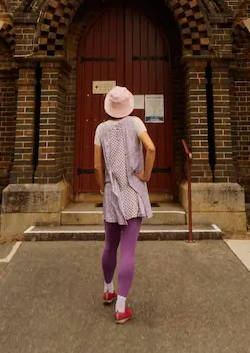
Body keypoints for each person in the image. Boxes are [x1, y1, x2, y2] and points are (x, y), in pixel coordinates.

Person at [94, 86, 156, 324]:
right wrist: (146, 175)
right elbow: (150, 148)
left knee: (110, 245)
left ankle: (108, 289)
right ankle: (121, 307)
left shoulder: (101, 129)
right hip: (133, 191)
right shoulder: (136, 123)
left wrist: (103, 187)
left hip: (111, 192)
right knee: (128, 250)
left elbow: (97, 166)